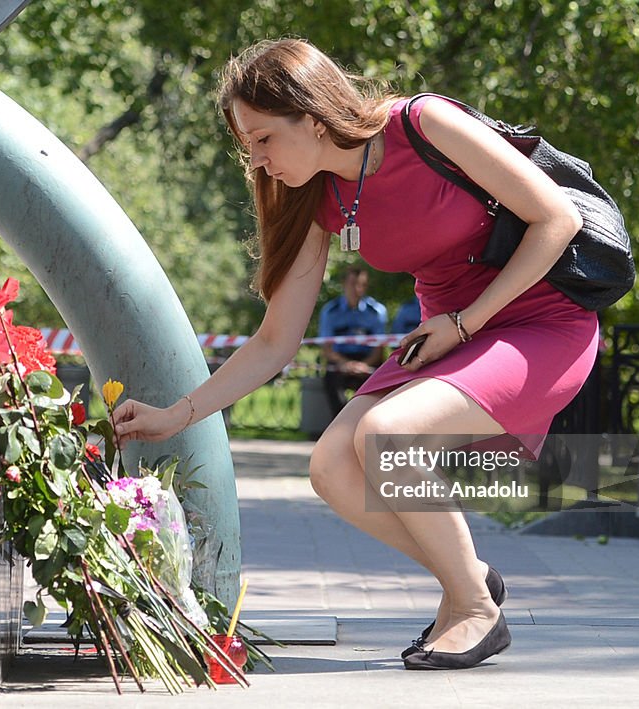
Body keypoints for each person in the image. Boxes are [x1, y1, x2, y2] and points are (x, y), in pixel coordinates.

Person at [112, 38, 598, 670]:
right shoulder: (316, 199)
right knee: (332, 467)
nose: (254, 160)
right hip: (448, 334)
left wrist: (465, 320)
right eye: (246, 144)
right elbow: (274, 341)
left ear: (313, 119)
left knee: (385, 433)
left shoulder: (424, 125)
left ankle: (476, 609)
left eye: (263, 139)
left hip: (538, 321)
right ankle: (469, 579)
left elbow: (557, 220)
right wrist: (178, 415)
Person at [318, 266, 387, 416]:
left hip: (367, 361)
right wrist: (344, 363)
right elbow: (327, 349)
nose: (356, 289)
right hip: (340, 361)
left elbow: (379, 349)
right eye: (352, 283)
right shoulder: (330, 311)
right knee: (330, 377)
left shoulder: (376, 312)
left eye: (361, 284)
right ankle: (340, 421)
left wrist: (364, 365)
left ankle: (367, 421)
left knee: (379, 380)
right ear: (343, 284)